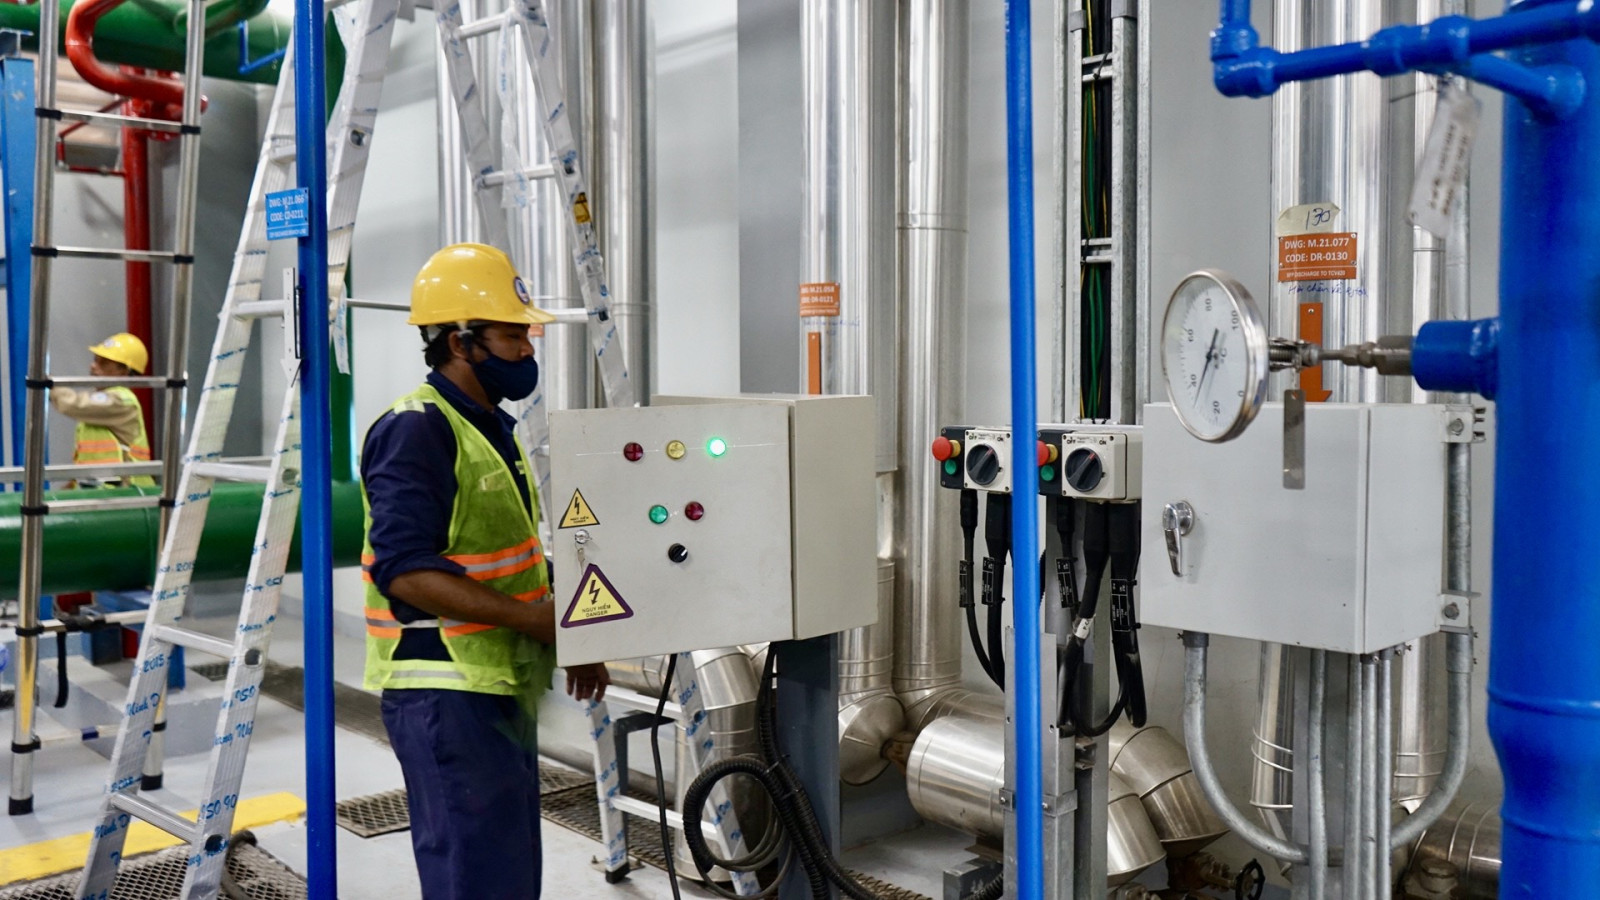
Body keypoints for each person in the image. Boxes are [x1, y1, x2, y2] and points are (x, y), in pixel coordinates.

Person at [360, 242, 610, 900]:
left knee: (505, 868)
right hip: (444, 692)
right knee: (474, 875)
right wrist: (534, 620)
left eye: (527, 335)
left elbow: (513, 555)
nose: (527, 350)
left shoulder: (491, 426)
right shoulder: (416, 430)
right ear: (458, 342)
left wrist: (570, 631)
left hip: (496, 683)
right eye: (512, 336)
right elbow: (402, 571)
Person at [50, 332, 154, 487]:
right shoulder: (100, 407)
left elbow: (72, 404)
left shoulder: (121, 401)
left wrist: (50, 384)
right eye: (95, 360)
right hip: (105, 492)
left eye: (104, 363)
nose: (93, 366)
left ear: (124, 371)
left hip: (129, 493)